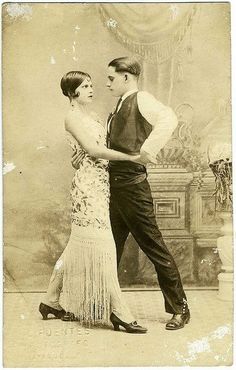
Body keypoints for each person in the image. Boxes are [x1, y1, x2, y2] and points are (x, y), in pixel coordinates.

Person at [73, 57, 190, 330]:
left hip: (133, 188)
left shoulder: (143, 99)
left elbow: (169, 118)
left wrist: (147, 152)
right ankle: (98, 305)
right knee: (108, 249)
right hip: (113, 189)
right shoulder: (119, 104)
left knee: (154, 247)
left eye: (111, 78)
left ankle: (180, 309)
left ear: (127, 77)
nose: (106, 83)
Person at [39, 71, 147, 334]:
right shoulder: (72, 118)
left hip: (101, 185)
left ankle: (50, 301)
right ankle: (119, 311)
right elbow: (96, 151)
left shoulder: (93, 117)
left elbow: (92, 150)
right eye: (85, 86)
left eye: (91, 85)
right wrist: (133, 158)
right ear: (71, 92)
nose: (91, 89)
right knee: (104, 248)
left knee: (76, 246)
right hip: (87, 190)